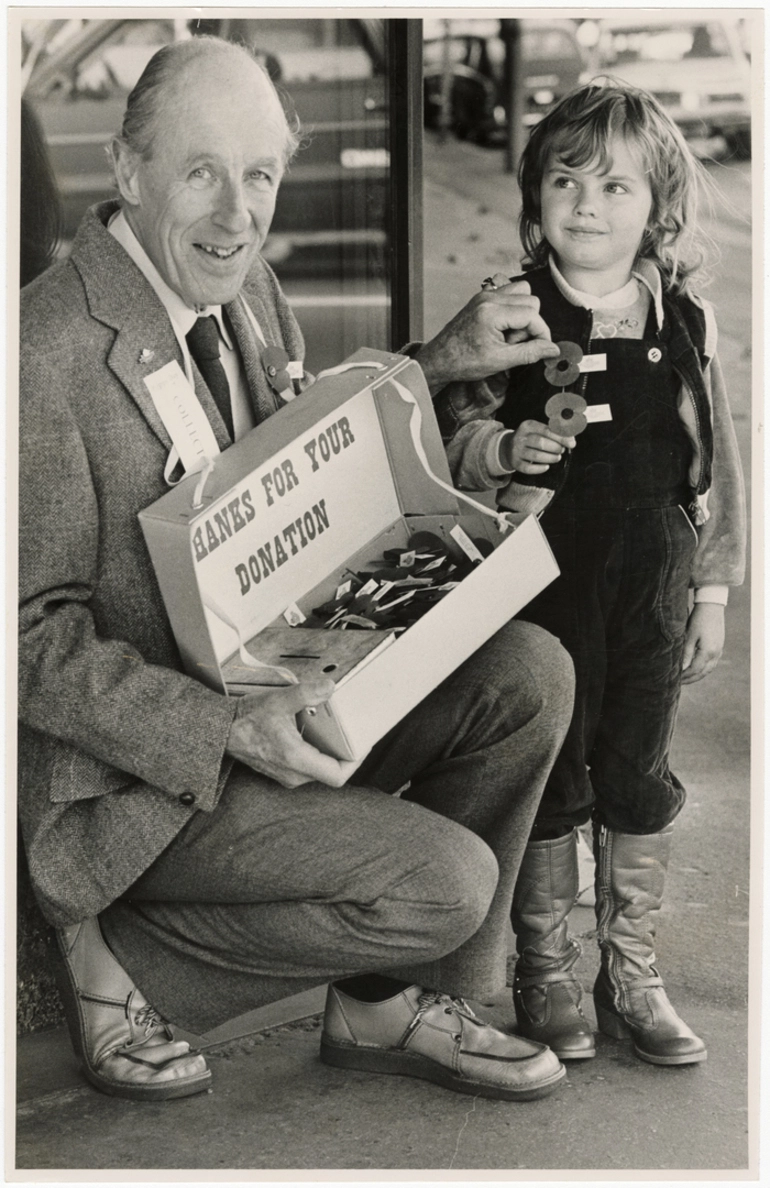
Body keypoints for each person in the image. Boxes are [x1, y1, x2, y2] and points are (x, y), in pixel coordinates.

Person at [19, 35, 575, 1104]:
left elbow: (305, 464)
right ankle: (122, 966)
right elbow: (23, 637)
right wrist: (222, 726)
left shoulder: (244, 289)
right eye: (201, 172)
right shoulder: (41, 356)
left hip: (278, 690)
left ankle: (383, 1006)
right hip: (151, 770)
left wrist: (453, 426)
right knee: (445, 883)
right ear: (128, 171)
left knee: (528, 675)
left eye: (260, 174)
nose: (238, 213)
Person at [436, 80, 746, 1066]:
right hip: (541, 591)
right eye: (565, 180)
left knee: (634, 772)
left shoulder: (681, 322)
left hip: (651, 587)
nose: (585, 204)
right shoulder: (510, 313)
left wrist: (710, 590)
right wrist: (497, 448)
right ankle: (547, 970)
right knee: (554, 774)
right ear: (533, 200)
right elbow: (443, 428)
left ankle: (632, 973)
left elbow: (714, 466)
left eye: (614, 187)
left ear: (656, 207)